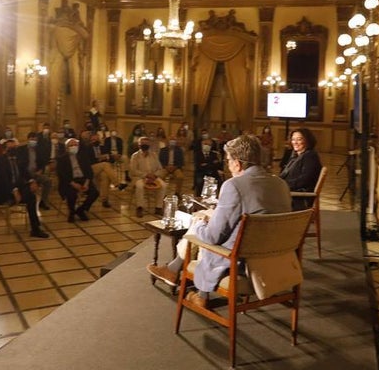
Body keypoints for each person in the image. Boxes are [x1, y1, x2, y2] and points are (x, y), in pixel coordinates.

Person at [147, 134, 291, 307]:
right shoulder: (281, 184)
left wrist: (200, 222)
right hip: (276, 258)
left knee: (200, 225)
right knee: (214, 224)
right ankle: (175, 272)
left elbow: (212, 238)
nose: (228, 165)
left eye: (228, 160)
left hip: (240, 263)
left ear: (237, 163)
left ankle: (191, 286)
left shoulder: (234, 186)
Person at [0, 138, 49, 238]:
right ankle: (35, 227)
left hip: (18, 187)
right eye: (10, 148)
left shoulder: (18, 159)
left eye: (15, 148)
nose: (13, 150)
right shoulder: (0, 160)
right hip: (4, 190)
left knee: (32, 196)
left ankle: (35, 229)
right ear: (5, 149)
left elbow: (25, 172)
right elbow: (3, 179)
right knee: (26, 195)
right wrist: (14, 190)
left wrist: (32, 181)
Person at [55, 137, 98, 222]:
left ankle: (81, 210)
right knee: (71, 194)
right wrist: (73, 184)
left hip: (83, 179)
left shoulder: (83, 157)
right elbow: (62, 174)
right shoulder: (62, 159)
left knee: (95, 193)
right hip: (69, 181)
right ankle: (71, 212)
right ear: (67, 147)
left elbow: (89, 171)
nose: (74, 146)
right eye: (71, 145)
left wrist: (86, 183)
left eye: (75, 145)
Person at [279, 127, 323, 209]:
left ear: (307, 140)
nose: (295, 142)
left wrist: (283, 185)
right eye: (293, 139)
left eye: (299, 139)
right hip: (288, 193)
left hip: (299, 198)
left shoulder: (310, 156)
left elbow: (304, 181)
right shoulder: (295, 156)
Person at [129, 136, 165, 217]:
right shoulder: (135, 156)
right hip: (140, 177)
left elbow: (160, 168)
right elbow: (133, 170)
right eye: (143, 143)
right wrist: (146, 175)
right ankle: (140, 207)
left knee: (163, 185)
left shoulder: (154, 155)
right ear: (139, 145)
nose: (145, 145)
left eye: (146, 143)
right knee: (139, 186)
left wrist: (155, 175)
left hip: (153, 177)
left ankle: (158, 207)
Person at [86, 131, 114, 208]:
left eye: (96, 139)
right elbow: (87, 162)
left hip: (103, 169)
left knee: (105, 176)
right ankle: (117, 183)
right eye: (93, 140)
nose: (95, 141)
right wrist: (98, 158)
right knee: (105, 164)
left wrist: (107, 157)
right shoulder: (87, 148)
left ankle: (104, 200)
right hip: (92, 169)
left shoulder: (103, 147)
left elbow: (111, 159)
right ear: (91, 140)